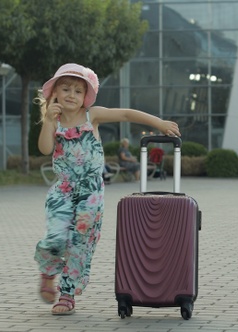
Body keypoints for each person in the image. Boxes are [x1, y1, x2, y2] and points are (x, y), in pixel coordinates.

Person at [34, 63, 180, 315]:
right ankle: (48, 273)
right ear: (54, 92)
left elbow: (125, 114)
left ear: (85, 97)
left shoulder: (93, 115)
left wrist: (158, 122)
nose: (71, 95)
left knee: (81, 241)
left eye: (78, 91)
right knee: (55, 235)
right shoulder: (53, 121)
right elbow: (45, 149)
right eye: (65, 89)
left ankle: (67, 295)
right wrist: (47, 121)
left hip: (90, 192)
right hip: (63, 191)